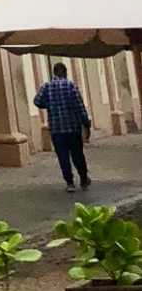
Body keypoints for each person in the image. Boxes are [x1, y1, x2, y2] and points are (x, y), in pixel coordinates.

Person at [34, 61, 92, 192]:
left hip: (56, 129)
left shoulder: (46, 87)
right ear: (65, 72)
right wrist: (86, 123)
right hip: (72, 127)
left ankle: (70, 183)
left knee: (63, 156)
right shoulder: (70, 85)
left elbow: (37, 101)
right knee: (77, 154)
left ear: (54, 72)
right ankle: (83, 179)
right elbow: (79, 106)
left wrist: (49, 105)